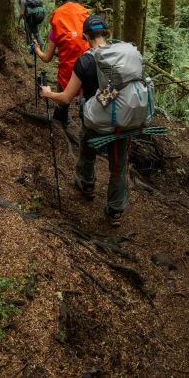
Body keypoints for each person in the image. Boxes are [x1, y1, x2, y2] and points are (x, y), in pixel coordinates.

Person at [39, 15, 128, 227]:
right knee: (119, 166)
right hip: (121, 122)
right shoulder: (123, 57)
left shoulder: (85, 60)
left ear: (85, 36)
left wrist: (48, 93)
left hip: (94, 123)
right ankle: (115, 211)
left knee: (87, 152)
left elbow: (66, 98)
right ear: (107, 33)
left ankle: (87, 184)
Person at [34, 0, 89, 126]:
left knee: (63, 102)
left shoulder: (58, 27)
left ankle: (61, 128)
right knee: (89, 100)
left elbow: (47, 58)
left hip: (68, 72)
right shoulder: (88, 25)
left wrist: (37, 50)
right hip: (89, 69)